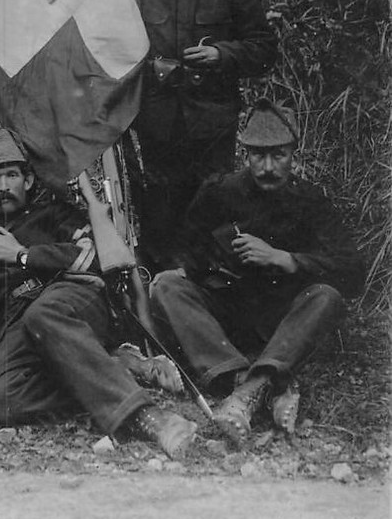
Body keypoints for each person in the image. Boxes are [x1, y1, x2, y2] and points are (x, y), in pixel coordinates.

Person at [0, 122, 198, 459]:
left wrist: (23, 255)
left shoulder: (53, 214)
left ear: (29, 180)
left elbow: (93, 257)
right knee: (3, 399)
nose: (4, 186)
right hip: (20, 322)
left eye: (12, 175)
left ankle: (148, 418)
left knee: (44, 312)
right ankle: (115, 367)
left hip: (72, 299)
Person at [149, 98, 363, 446]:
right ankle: (254, 381)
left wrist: (288, 259)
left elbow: (353, 270)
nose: (267, 167)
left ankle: (247, 390)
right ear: (244, 154)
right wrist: (210, 262)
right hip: (227, 314)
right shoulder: (219, 192)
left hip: (283, 318)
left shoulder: (311, 201)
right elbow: (184, 250)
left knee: (327, 297)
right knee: (167, 286)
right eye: (257, 155)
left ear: (294, 153)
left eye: (278, 155)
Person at [132, 0, 278, 273]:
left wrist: (221, 54)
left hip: (211, 125)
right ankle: (160, 302)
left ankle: (209, 294)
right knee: (160, 217)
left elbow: (264, 50)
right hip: (159, 126)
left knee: (212, 213)